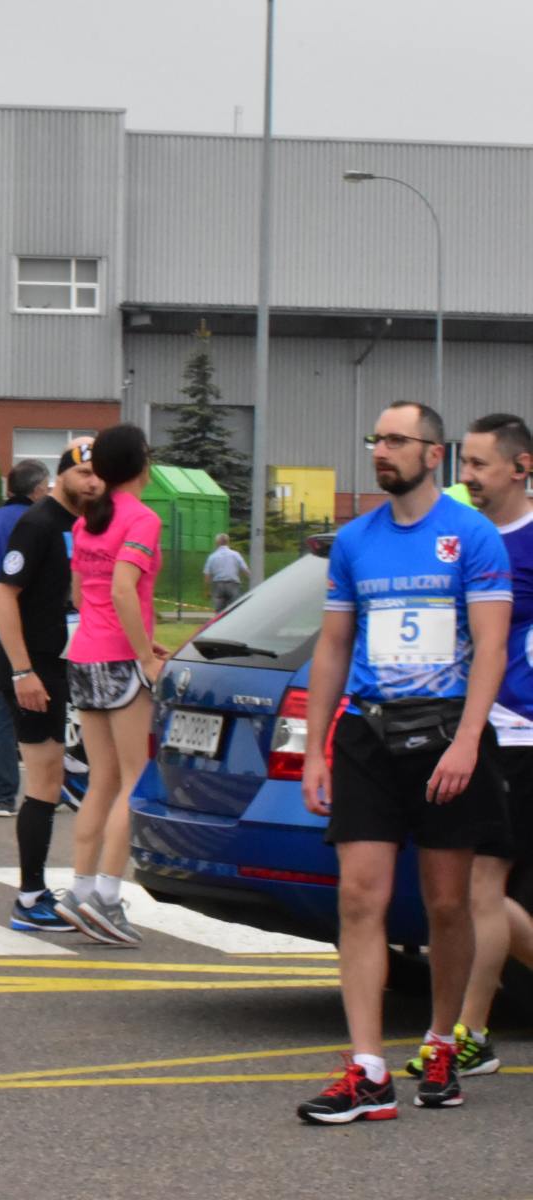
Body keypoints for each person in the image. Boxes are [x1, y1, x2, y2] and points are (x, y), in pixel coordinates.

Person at [295, 401, 512, 1124]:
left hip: (446, 733)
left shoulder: (472, 536)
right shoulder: (356, 541)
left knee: (447, 904)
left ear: (433, 454)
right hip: (369, 735)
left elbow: (491, 646)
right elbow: (333, 646)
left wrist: (468, 739)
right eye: (376, 439)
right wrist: (317, 749)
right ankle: (367, 1070)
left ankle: (441, 1042)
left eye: (396, 440)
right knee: (359, 898)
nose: (380, 450)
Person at [396, 413, 533, 1083]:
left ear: (521, 467)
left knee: (482, 884)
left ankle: (470, 1033)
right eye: (463, 463)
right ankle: (469, 1033)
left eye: (479, 464)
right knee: (476, 886)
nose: (467, 476)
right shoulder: (463, 536)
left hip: (517, 734)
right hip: (465, 729)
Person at [50, 425, 165, 947]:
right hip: (120, 660)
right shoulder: (141, 519)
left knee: (101, 780)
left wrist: (139, 638)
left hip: (84, 656)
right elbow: (123, 590)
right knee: (135, 780)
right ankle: (107, 897)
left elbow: (82, 592)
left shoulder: (86, 521)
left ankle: (79, 889)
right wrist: (146, 656)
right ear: (141, 465)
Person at [0, 440, 101, 931]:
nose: (93, 483)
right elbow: (4, 595)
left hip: (63, 666)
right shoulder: (36, 524)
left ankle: (76, 770)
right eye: (84, 474)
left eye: (99, 476)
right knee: (42, 785)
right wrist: (23, 672)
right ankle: (30, 898)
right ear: (62, 476)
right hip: (31, 671)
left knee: (58, 776)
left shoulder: (82, 525)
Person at [0, 462, 48, 817]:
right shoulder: (43, 522)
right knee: (47, 709)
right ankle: (51, 788)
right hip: (36, 630)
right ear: (37, 489)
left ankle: (3, 797)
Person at [202, 532, 249, 612]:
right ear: (228, 542)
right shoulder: (235, 555)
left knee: (219, 612)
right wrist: (252, 581)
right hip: (233, 585)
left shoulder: (212, 556)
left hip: (218, 585)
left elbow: (207, 574)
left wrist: (206, 590)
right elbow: (245, 569)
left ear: (217, 543)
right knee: (234, 610)